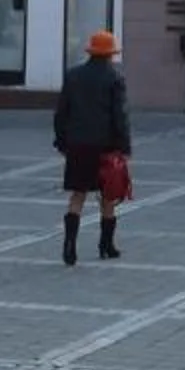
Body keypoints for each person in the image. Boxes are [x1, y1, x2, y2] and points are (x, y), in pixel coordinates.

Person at [51, 29, 133, 267]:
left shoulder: (73, 76)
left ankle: (69, 245)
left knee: (78, 195)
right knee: (107, 197)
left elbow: (61, 113)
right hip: (105, 146)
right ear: (109, 54)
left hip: (77, 144)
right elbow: (120, 116)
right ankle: (106, 245)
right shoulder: (114, 79)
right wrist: (124, 146)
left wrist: (62, 140)